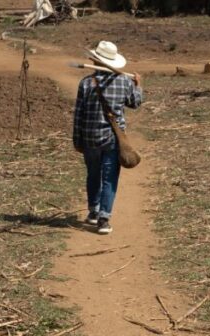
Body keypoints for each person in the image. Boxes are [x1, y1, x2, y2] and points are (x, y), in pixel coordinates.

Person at [72, 40, 143, 235]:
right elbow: (135, 103)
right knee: (110, 177)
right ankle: (104, 218)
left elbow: (78, 114)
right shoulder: (124, 82)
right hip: (113, 138)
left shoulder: (86, 83)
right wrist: (138, 85)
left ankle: (93, 211)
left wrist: (77, 140)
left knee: (93, 174)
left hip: (89, 138)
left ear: (96, 61)